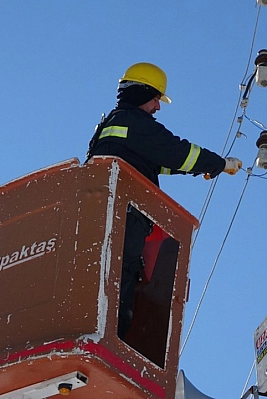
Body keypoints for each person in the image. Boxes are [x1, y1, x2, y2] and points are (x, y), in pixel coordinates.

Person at [87, 62, 242, 337]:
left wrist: (203, 168)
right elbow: (176, 152)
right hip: (126, 213)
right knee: (122, 273)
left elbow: (158, 161)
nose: (157, 107)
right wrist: (218, 163)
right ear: (143, 93)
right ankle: (112, 338)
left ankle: (100, 330)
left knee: (105, 272)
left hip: (103, 210)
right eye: (156, 98)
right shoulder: (136, 123)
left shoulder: (113, 124)